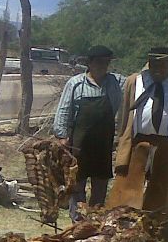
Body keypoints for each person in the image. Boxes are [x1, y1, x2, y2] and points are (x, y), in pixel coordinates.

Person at [112, 46, 168, 213]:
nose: (157, 69)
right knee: (133, 181)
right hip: (141, 141)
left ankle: (161, 221)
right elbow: (124, 114)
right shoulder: (137, 82)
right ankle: (129, 218)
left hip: (167, 143)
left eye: (162, 65)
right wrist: (122, 139)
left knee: (163, 183)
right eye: (153, 65)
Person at [53, 45, 125, 222]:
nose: (103, 66)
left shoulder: (115, 83)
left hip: (103, 145)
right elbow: (63, 110)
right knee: (77, 185)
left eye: (106, 63)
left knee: (100, 185)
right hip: (79, 144)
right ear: (90, 63)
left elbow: (137, 84)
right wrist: (61, 135)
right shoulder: (76, 83)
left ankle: (94, 222)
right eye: (99, 62)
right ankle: (77, 222)